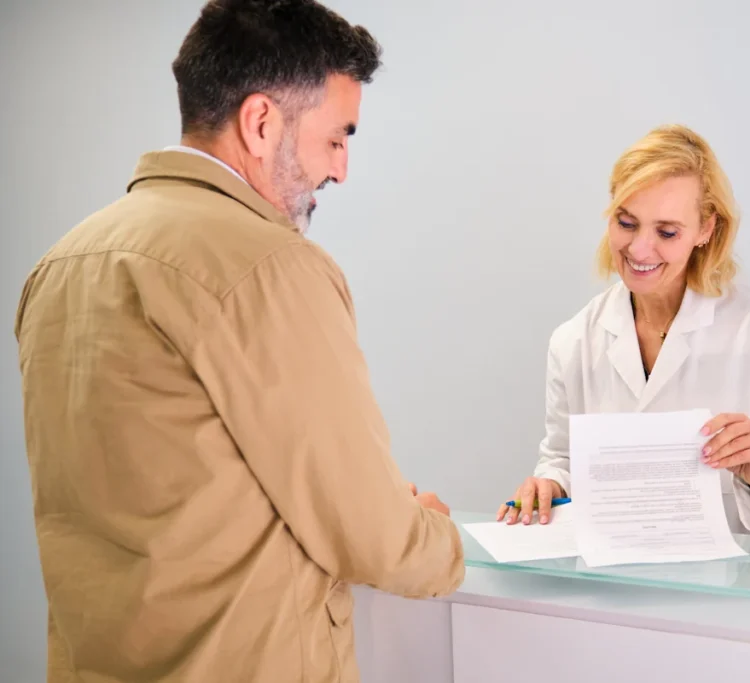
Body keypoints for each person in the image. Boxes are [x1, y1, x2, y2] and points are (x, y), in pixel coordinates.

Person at [14, 2, 463, 682]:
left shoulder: (61, 264)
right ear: (260, 123)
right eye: (336, 138)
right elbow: (374, 537)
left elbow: (171, 486)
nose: (341, 169)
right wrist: (436, 535)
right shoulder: (271, 267)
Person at [499, 124, 750, 537]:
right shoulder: (574, 340)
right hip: (619, 570)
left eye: (666, 232)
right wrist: (549, 486)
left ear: (706, 230)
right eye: (626, 223)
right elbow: (563, 460)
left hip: (741, 572)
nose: (639, 249)